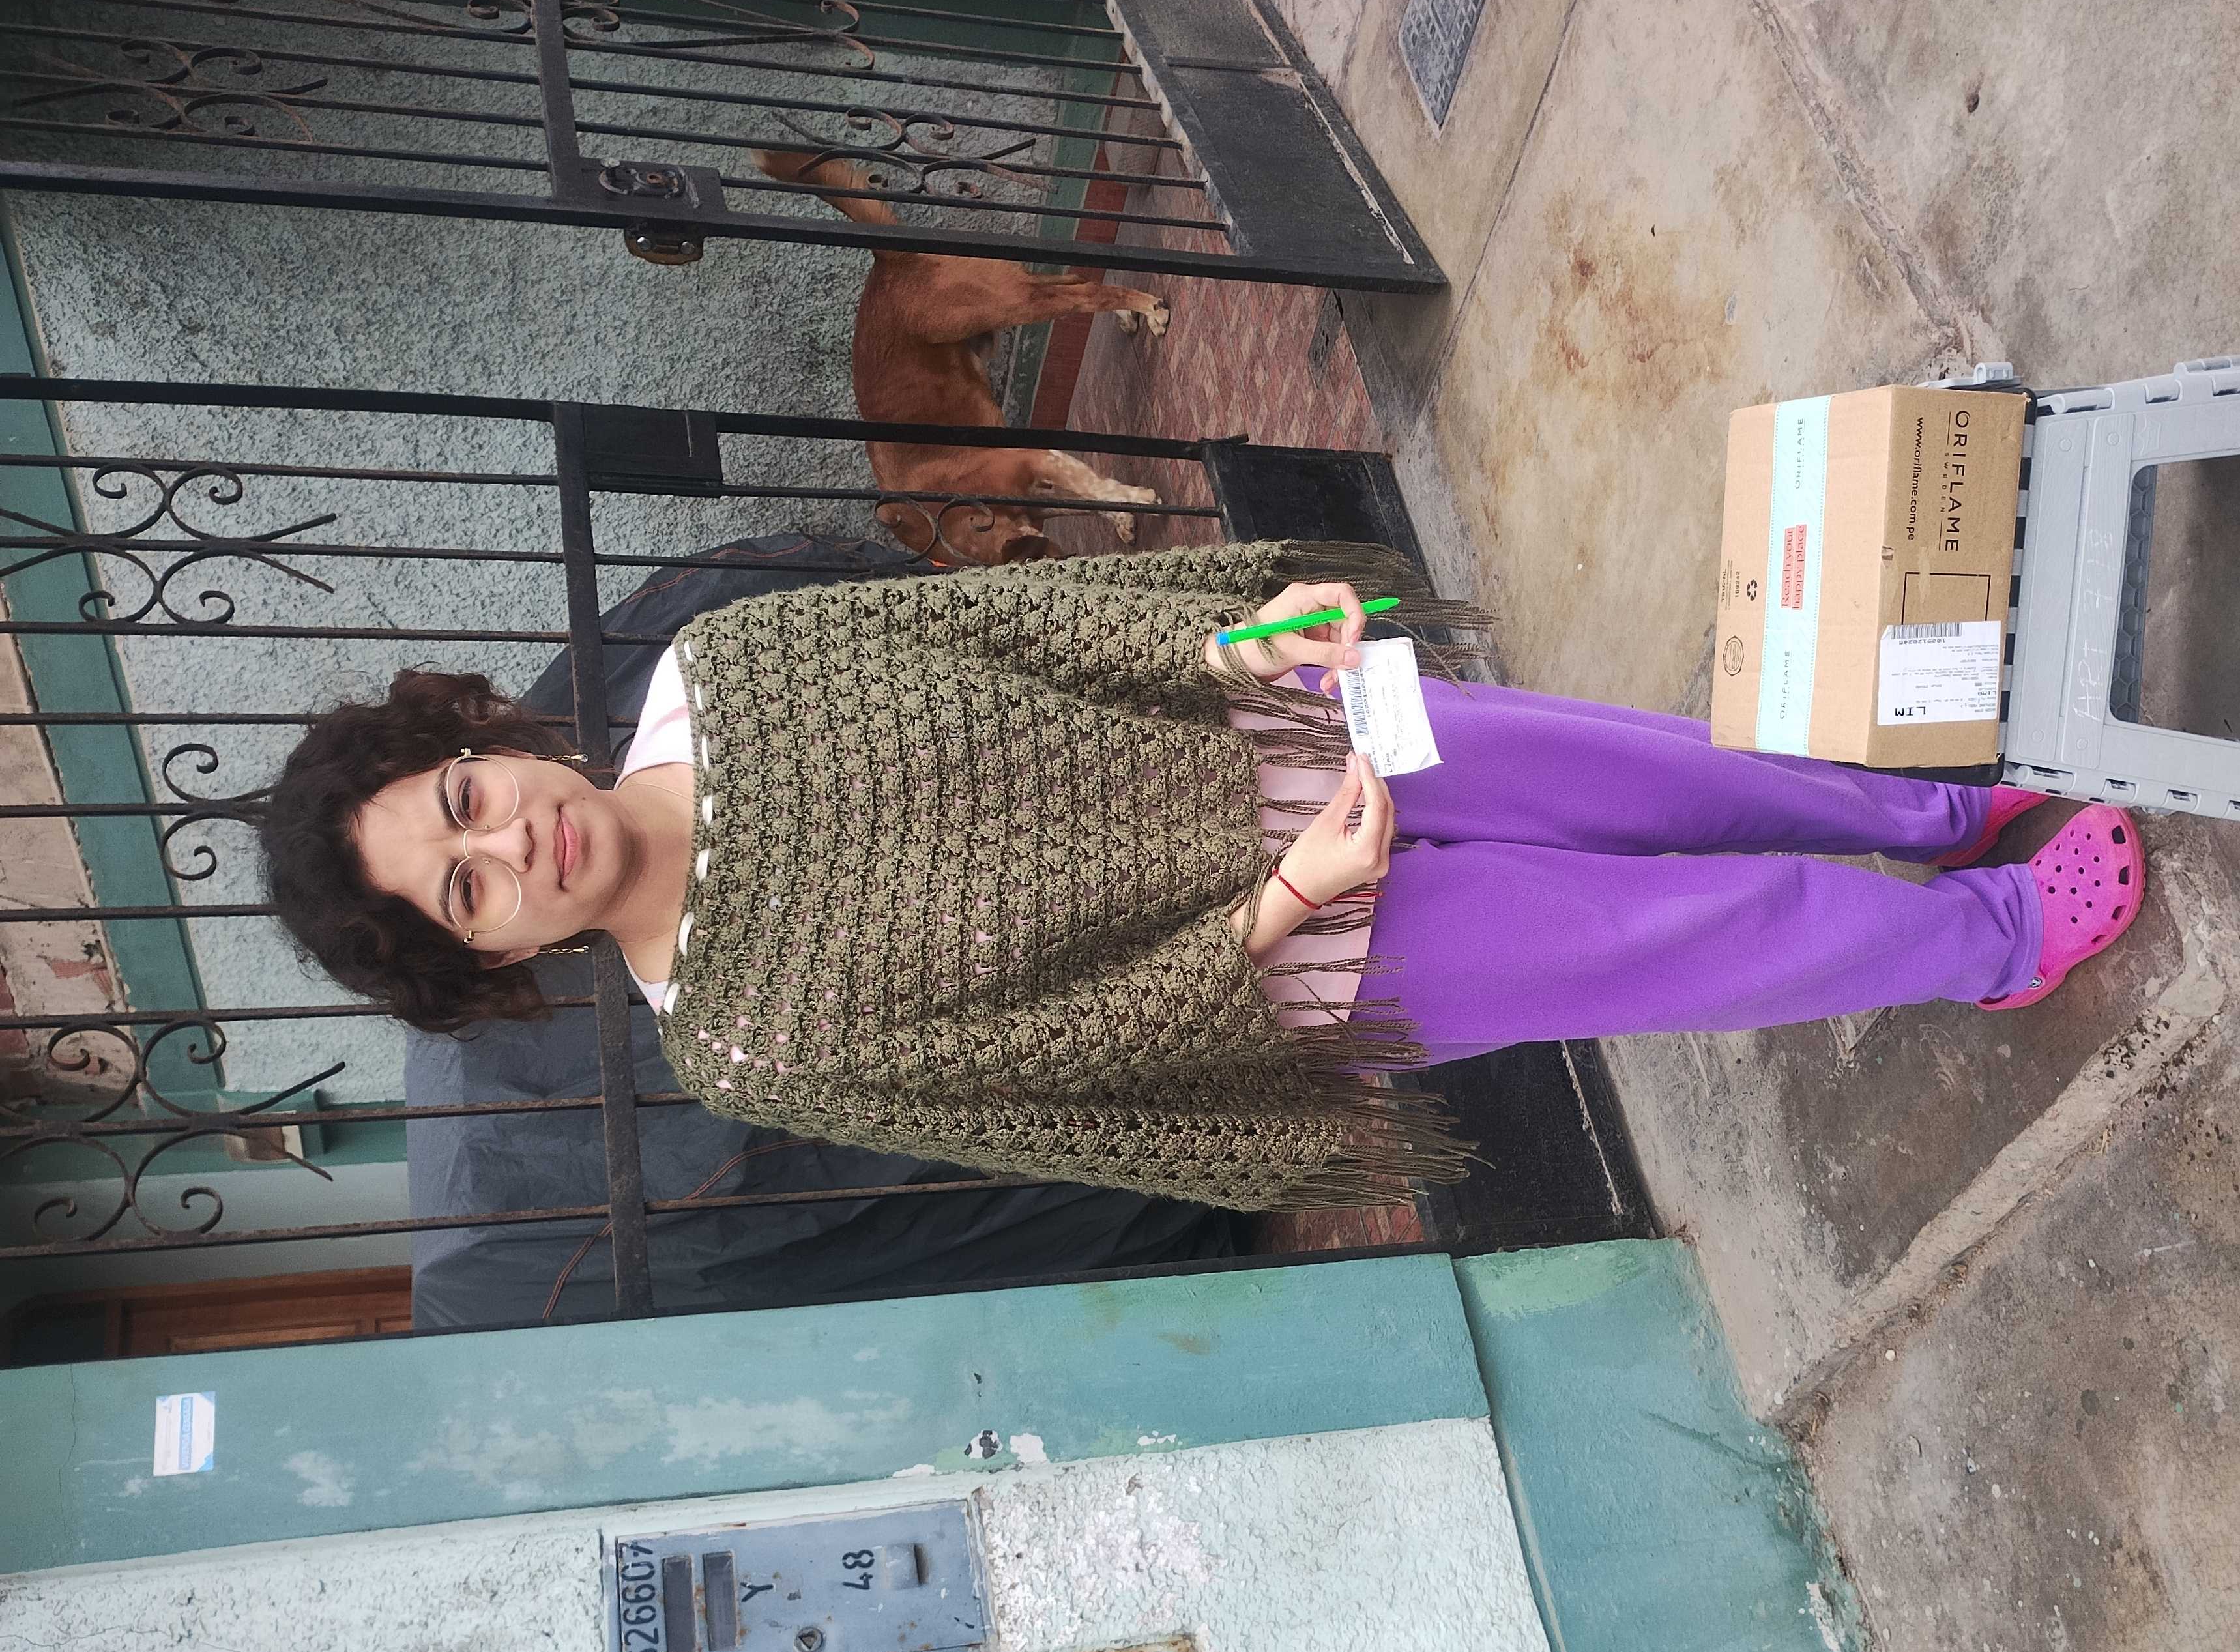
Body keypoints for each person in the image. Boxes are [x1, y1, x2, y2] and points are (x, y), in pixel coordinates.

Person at [263, 542, 2142, 1211]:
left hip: (1284, 723)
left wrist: (1249, 640)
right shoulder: (740, 1042)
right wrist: (1287, 902)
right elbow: (1050, 1063)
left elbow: (1030, 628)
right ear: (489, 962)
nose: (507, 840)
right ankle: (1988, 939)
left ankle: (1934, 817)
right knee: (1684, 934)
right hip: (1298, 946)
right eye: (465, 890)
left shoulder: (726, 664)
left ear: (480, 733)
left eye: (464, 796)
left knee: (1656, 770)